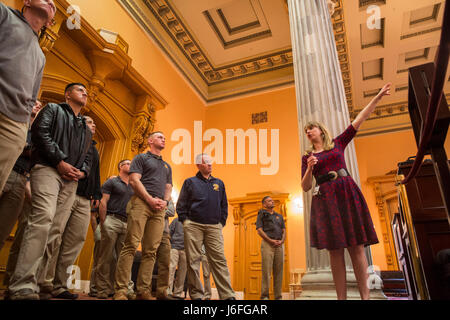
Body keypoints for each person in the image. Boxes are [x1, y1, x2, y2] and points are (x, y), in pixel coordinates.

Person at [301, 83, 391, 300]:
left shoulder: (338, 143)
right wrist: (310, 168)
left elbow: (359, 119)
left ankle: (365, 297)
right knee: (335, 251)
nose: (308, 132)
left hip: (346, 192)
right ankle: (341, 299)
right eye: (306, 131)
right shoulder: (307, 158)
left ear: (320, 130)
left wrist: (377, 97)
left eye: (310, 128)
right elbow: (305, 186)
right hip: (325, 199)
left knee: (356, 248)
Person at [7, 82, 93, 300]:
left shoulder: (84, 125)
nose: (85, 93)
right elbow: (40, 133)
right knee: (42, 220)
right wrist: (60, 161)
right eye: (80, 90)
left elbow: (88, 156)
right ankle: (21, 285)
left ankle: (39, 281)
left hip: (71, 180)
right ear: (68, 94)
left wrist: (81, 172)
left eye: (86, 92)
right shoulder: (53, 109)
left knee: (55, 230)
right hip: (47, 169)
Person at [38, 116, 102, 299]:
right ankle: (42, 281)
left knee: (75, 241)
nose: (93, 125)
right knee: (54, 235)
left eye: (94, 123)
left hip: (84, 198)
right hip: (67, 191)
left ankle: (59, 285)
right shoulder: (73, 140)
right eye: (90, 122)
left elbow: (94, 173)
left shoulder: (94, 148)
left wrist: (96, 193)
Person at [0, 0, 56, 195]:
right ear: (27, 2)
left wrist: (22, 127)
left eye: (53, 5)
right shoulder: (5, 15)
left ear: (50, 22)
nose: (50, 1)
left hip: (14, 125)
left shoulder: (41, 56)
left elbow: (32, 96)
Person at [113, 131, 172, 300]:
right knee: (130, 245)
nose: (164, 139)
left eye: (164, 137)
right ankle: (121, 290)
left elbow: (168, 186)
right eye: (161, 137)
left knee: (151, 251)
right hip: (141, 203)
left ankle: (143, 290)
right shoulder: (141, 158)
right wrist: (149, 199)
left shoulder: (167, 166)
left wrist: (165, 202)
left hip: (159, 209)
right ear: (151, 140)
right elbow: (134, 180)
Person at [176, 153, 235, 300]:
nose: (210, 164)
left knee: (219, 260)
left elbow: (224, 205)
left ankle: (227, 295)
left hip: (214, 226)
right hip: (194, 225)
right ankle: (196, 295)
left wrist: (221, 223)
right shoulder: (190, 182)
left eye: (210, 162)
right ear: (198, 165)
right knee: (193, 260)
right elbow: (181, 204)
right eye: (206, 162)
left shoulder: (219, 183)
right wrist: (185, 221)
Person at [0, 100, 42, 251]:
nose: (38, 105)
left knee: (3, 229)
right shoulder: (13, 122)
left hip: (22, 180)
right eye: (35, 103)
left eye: (40, 105)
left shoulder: (39, 134)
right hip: (6, 169)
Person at [95, 160, 134, 299]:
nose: (130, 165)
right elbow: (103, 201)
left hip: (127, 223)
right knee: (106, 257)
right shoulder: (112, 182)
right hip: (111, 219)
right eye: (127, 163)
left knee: (124, 259)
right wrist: (104, 222)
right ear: (120, 167)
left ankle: (123, 290)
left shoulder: (134, 186)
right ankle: (103, 289)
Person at [256, 196, 286, 300]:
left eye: (272, 200)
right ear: (264, 204)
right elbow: (259, 230)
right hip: (267, 244)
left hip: (279, 245)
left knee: (279, 272)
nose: (272, 201)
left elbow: (284, 230)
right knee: (266, 271)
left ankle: (278, 297)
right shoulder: (261, 214)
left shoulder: (279, 216)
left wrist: (282, 241)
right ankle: (264, 296)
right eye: (269, 200)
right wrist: (270, 240)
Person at [154, 199, 178, 300]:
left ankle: (163, 292)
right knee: (148, 259)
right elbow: (150, 209)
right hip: (151, 230)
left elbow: (172, 212)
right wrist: (164, 209)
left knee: (165, 263)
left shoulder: (169, 199)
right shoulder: (151, 191)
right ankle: (143, 291)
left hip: (165, 232)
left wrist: (158, 210)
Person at [168, 217, 187, 299]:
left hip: (186, 250)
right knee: (170, 269)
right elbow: (169, 232)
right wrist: (170, 245)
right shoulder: (176, 220)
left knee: (182, 272)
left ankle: (177, 293)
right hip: (174, 248)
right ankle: (167, 292)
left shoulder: (193, 222)